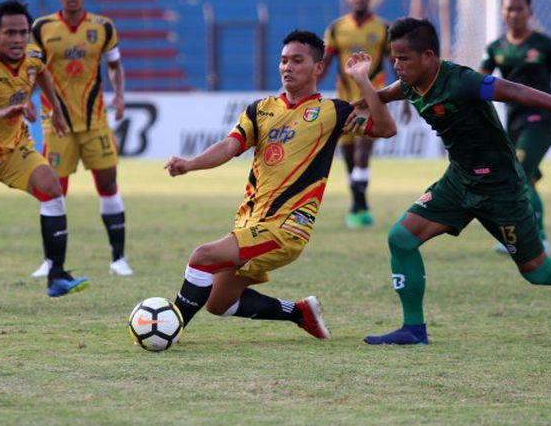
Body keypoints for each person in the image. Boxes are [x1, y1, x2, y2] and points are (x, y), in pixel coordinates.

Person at [359, 17, 551, 345]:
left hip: (501, 187)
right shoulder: (410, 83)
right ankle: (413, 329)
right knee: (400, 238)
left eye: (403, 58)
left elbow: (512, 90)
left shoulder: (462, 81)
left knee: (536, 271)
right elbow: (387, 94)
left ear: (428, 56)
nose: (396, 65)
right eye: (394, 58)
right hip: (459, 182)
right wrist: (357, 103)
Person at [164, 31, 396, 339]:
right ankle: (299, 312)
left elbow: (386, 128)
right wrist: (191, 164)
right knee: (218, 303)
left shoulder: (332, 112)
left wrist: (363, 81)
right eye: (284, 60)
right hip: (251, 222)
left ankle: (167, 329)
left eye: (297, 61)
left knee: (201, 257)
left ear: (317, 68)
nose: (288, 67)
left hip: (286, 228)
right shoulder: (260, 110)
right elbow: (229, 146)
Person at [0, 0, 89, 297]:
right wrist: (0, 113)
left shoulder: (33, 55)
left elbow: (43, 71)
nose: (18, 39)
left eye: (23, 32)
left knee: (50, 187)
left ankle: (57, 275)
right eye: (10, 33)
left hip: (14, 150)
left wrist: (57, 111)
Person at [29, 0, 133, 278]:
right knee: (53, 191)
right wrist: (24, 102)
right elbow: (32, 69)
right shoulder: (41, 28)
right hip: (56, 124)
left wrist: (119, 94)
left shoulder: (102, 27)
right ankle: (50, 261)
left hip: (95, 123)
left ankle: (118, 259)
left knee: (108, 184)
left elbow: (114, 66)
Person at [479, 0, 551, 256]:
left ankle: (538, 240)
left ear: (530, 12)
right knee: (526, 181)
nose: (514, 14)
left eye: (519, 9)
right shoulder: (496, 48)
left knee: (520, 172)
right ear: (502, 14)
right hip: (512, 122)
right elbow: (478, 82)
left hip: (541, 120)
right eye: (509, 9)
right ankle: (527, 236)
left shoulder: (545, 45)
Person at [322, 0, 392, 228]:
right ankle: (359, 204)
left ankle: (358, 207)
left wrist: (407, 98)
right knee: (349, 155)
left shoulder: (383, 28)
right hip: (345, 99)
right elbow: (325, 65)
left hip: (373, 97)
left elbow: (396, 64)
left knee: (364, 150)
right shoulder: (336, 29)